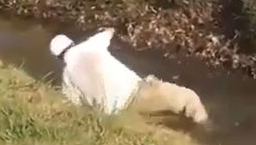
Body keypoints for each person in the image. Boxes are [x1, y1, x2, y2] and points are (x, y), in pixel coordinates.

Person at [49, 27, 209, 124]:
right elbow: (109, 31)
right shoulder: (89, 46)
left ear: (58, 58)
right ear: (72, 43)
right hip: (137, 93)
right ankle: (207, 128)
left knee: (164, 124)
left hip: (120, 116)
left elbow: (74, 106)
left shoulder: (66, 79)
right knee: (189, 99)